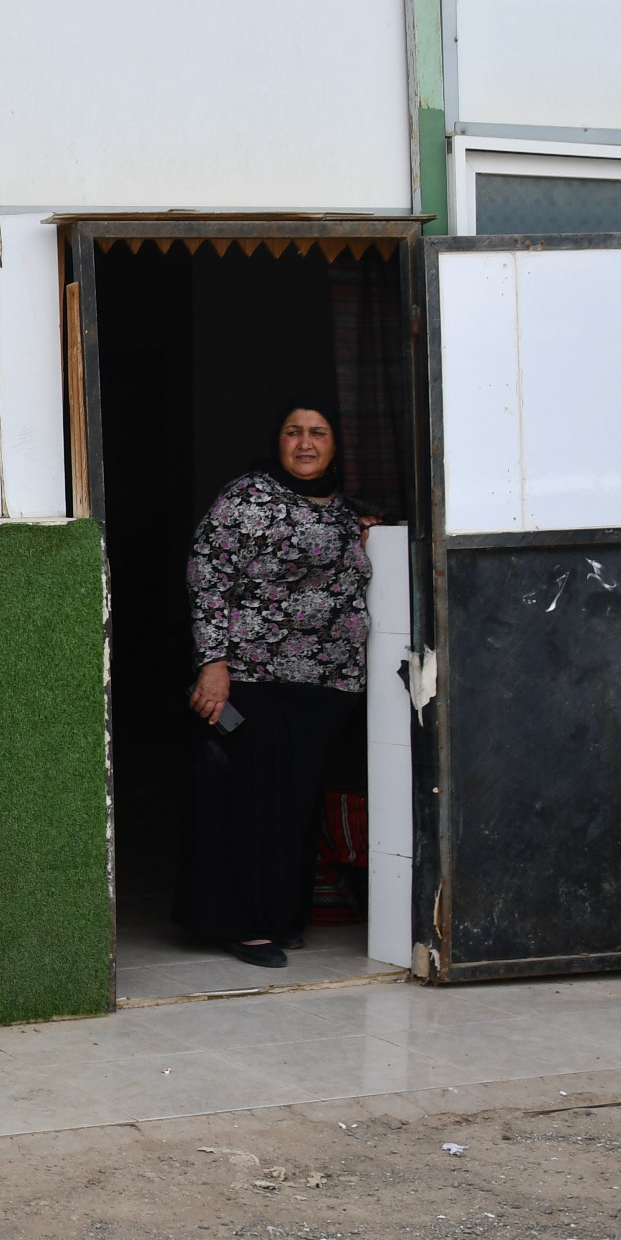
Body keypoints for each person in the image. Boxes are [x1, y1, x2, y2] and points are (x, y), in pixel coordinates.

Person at [176, 399, 374, 966]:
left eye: (318, 432)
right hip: (253, 675)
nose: (305, 443)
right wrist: (213, 662)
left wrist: (369, 533)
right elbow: (207, 576)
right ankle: (242, 923)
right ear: (277, 440)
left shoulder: (345, 511)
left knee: (295, 804)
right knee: (247, 800)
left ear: (337, 444)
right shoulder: (248, 497)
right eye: (293, 432)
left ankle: (282, 916)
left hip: (327, 684)